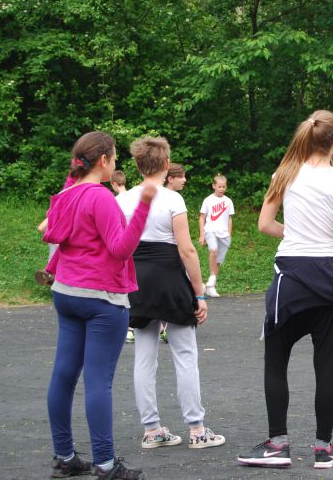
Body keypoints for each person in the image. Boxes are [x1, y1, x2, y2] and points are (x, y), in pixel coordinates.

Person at [236, 110, 333, 470]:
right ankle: (323, 449)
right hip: (329, 274)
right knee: (327, 367)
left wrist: (294, 233)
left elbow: (263, 224)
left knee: (276, 362)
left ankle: (277, 445)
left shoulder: (284, 174)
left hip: (291, 276)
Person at [43, 131, 156, 480]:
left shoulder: (66, 194)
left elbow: (52, 232)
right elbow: (121, 249)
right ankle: (105, 464)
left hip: (66, 292)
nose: (117, 162)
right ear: (104, 160)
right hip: (102, 298)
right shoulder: (101, 198)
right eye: (115, 157)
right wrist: (145, 205)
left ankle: (64, 456)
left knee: (63, 374)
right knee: (97, 381)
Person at [116, 137, 225, 454]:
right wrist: (199, 292)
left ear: (137, 165)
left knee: (144, 356)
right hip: (169, 278)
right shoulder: (172, 200)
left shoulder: (122, 200)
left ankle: (151, 430)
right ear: (166, 165)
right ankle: (197, 429)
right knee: (185, 354)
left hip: (137, 279)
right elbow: (187, 249)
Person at [198, 174, 234, 298]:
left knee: (218, 260)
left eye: (224, 187)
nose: (221, 189)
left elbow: (229, 218)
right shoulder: (208, 200)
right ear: (214, 186)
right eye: (219, 186)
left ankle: (211, 286)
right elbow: (202, 217)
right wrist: (202, 235)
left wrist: (229, 234)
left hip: (224, 233)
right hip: (210, 231)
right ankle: (212, 279)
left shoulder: (228, 201)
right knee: (213, 250)